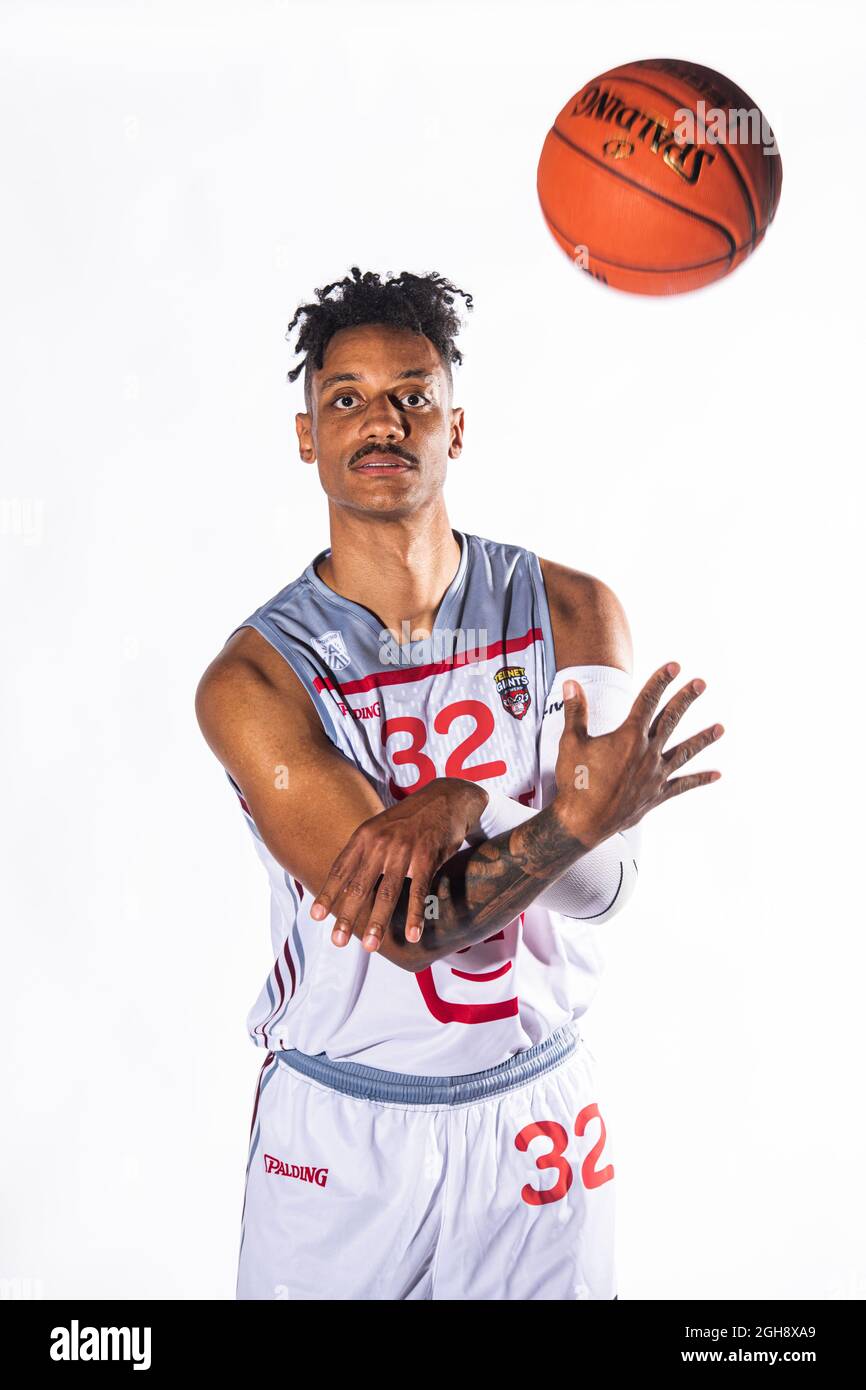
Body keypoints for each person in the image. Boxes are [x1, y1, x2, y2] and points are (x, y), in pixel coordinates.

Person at [195, 266, 724, 1301]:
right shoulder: (256, 679)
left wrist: (469, 798)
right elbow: (408, 925)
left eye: (411, 393)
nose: (379, 419)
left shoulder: (570, 607)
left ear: (455, 424)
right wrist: (559, 814)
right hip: (343, 1133)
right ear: (307, 437)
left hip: (535, 1118)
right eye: (343, 397)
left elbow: (603, 885)